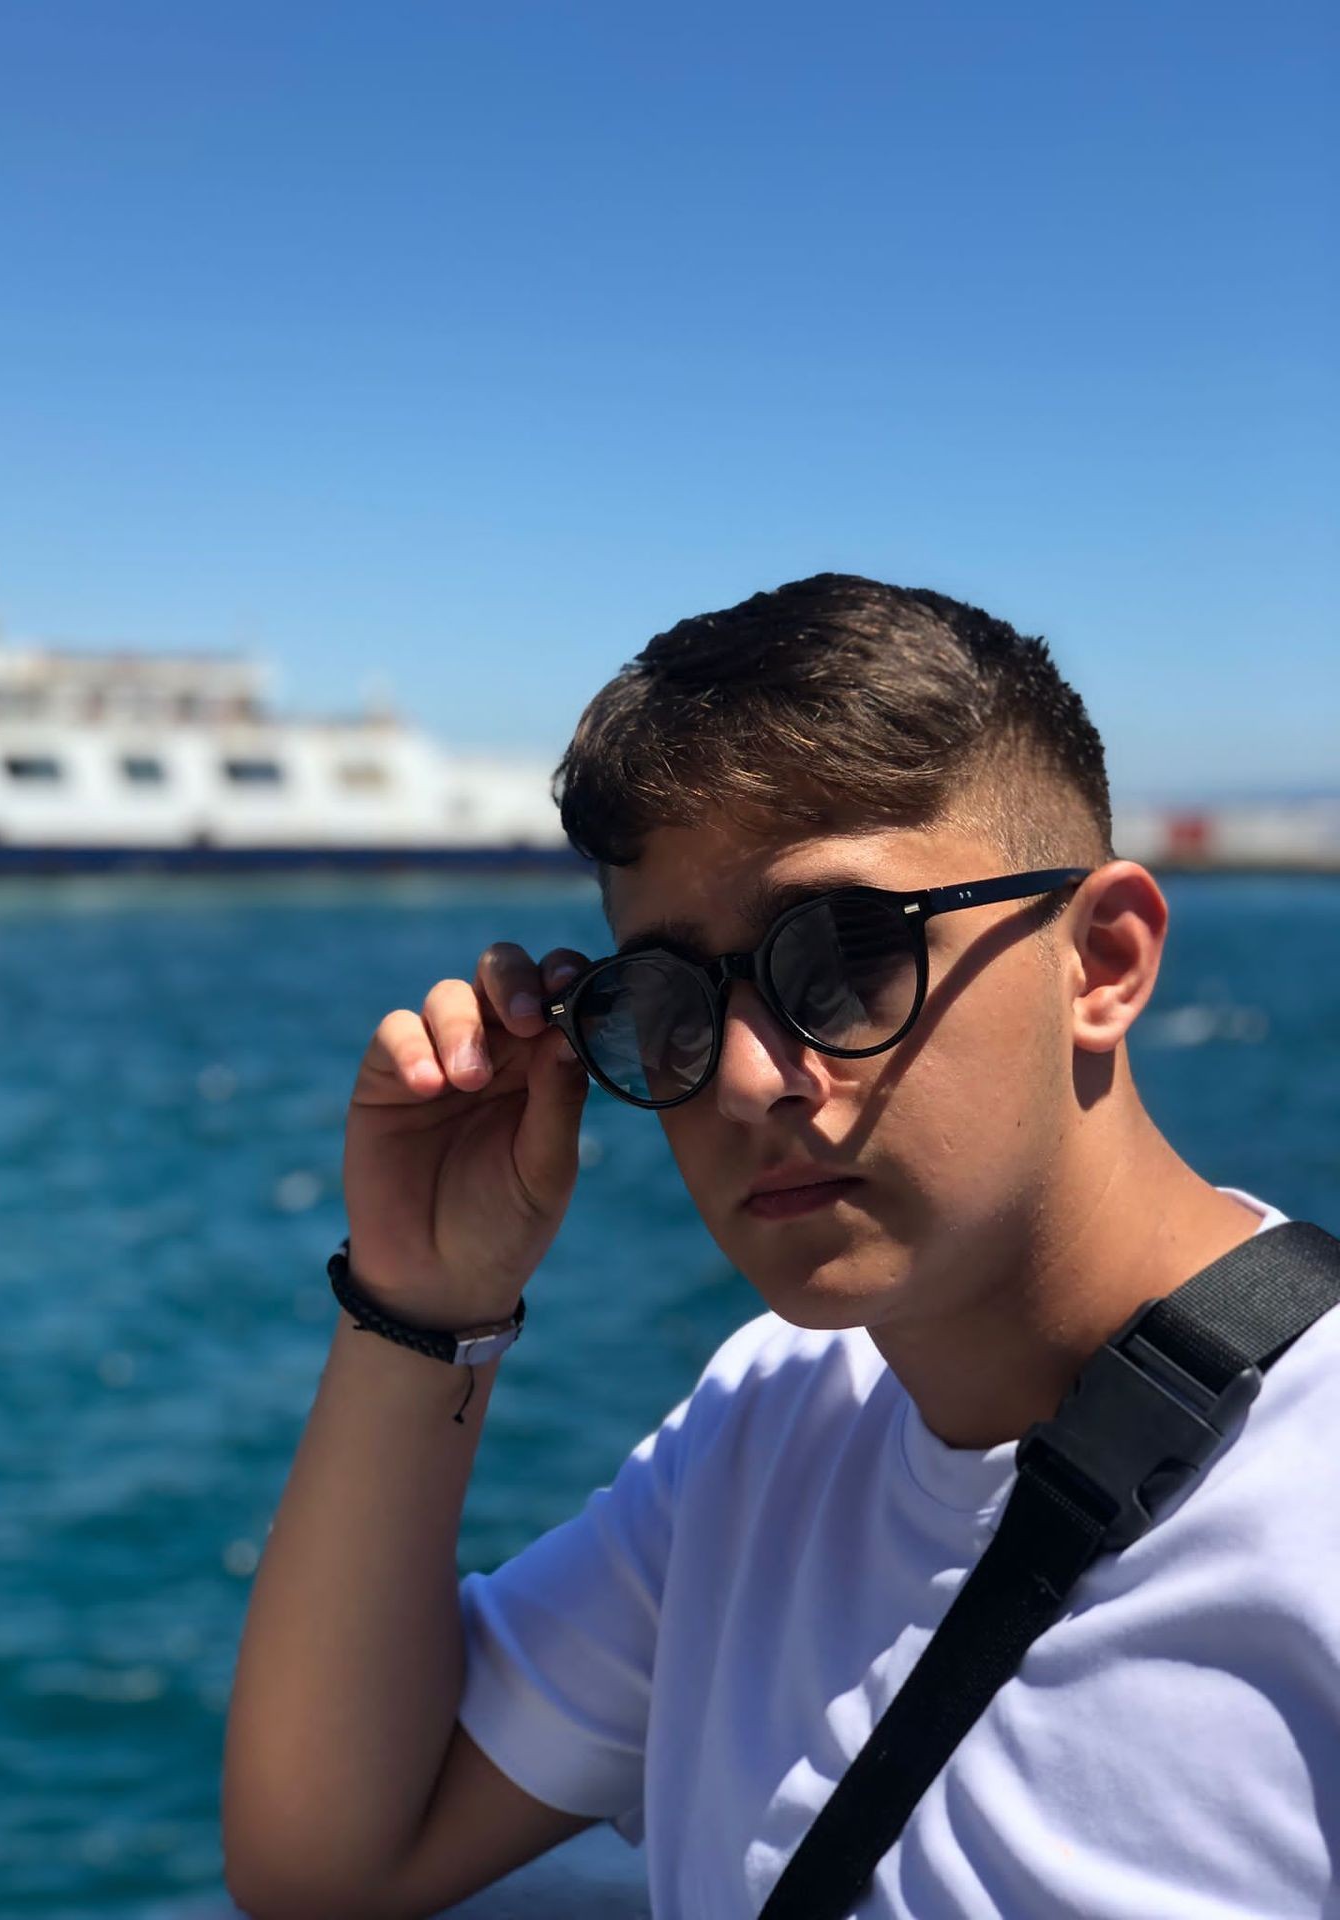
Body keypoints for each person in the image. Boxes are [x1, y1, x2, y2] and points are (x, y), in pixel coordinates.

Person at [222, 575, 1335, 1920]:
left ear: (1101, 961)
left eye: (843, 955)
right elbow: (325, 1867)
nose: (747, 1078)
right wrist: (424, 1302)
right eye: (669, 1002)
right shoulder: (769, 1428)